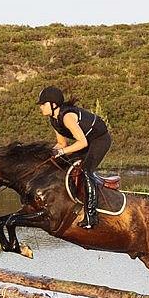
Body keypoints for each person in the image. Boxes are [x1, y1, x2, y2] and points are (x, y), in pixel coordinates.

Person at [36, 86, 112, 229]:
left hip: (99, 140)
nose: (40, 107)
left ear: (53, 105)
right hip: (86, 142)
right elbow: (61, 143)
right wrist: (48, 155)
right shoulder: (53, 119)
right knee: (63, 165)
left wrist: (61, 152)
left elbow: (82, 143)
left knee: (86, 171)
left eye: (43, 104)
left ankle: (91, 216)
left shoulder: (67, 117)